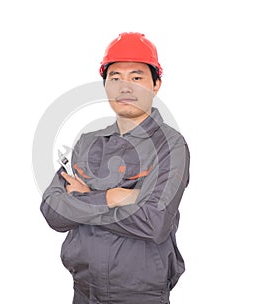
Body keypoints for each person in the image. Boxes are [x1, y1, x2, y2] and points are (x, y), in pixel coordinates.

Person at [40, 32, 190, 304]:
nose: (125, 87)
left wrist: (83, 200)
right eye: (115, 78)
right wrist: (115, 197)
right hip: (83, 292)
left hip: (140, 296)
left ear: (156, 84)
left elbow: (154, 222)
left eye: (136, 77)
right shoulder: (87, 142)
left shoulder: (170, 145)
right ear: (106, 84)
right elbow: (53, 210)